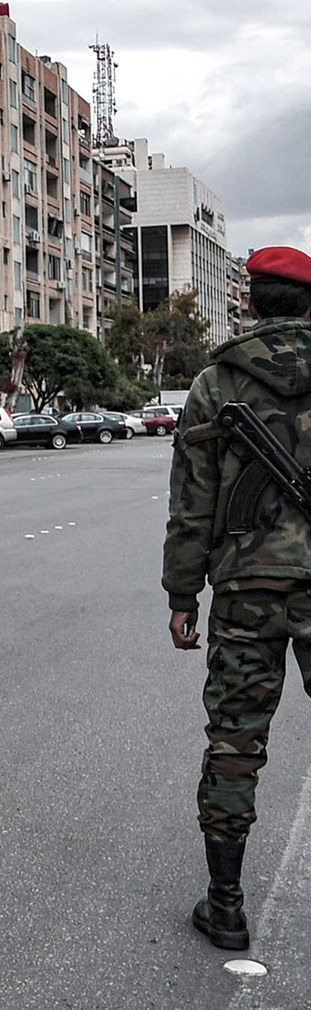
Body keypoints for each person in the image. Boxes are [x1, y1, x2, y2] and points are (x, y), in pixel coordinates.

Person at [164, 245, 311, 950]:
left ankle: (226, 905)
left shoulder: (216, 381)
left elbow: (193, 504)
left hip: (246, 590)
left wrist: (180, 591)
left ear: (250, 299)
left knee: (234, 743)